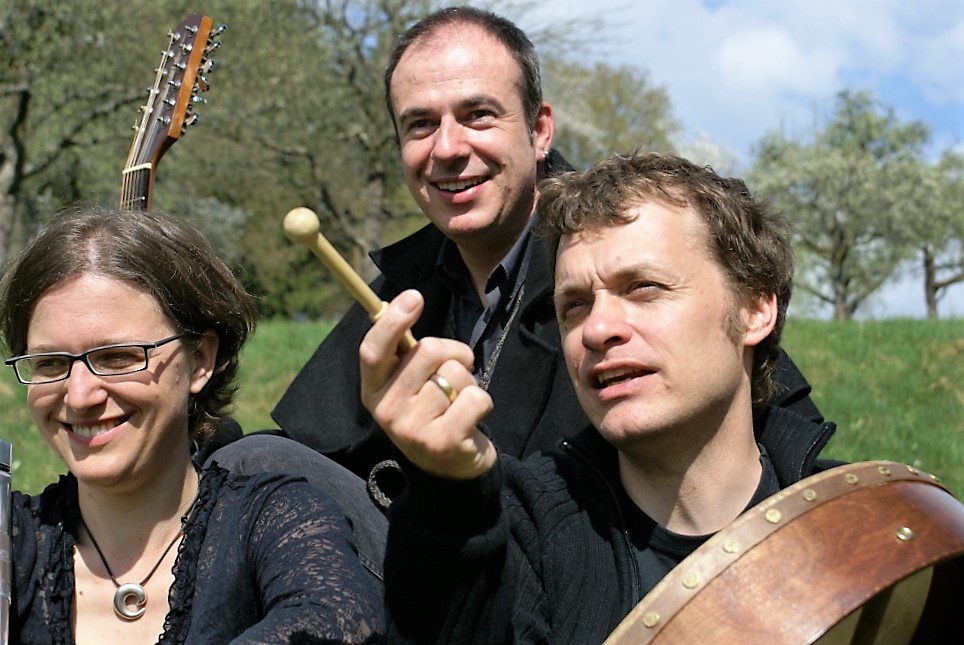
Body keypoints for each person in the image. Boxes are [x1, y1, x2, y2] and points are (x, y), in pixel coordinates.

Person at [263, 6, 825, 505]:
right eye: (420, 124)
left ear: (539, 130)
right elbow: (308, 452)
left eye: (478, 114)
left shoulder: (617, 248)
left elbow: (773, 449)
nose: (448, 148)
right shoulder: (405, 285)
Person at [361, 152, 840, 642]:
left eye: (643, 287)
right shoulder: (521, 537)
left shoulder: (854, 523)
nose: (597, 329)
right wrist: (447, 503)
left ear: (755, 310)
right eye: (575, 305)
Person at [1, 205, 384, 644]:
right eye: (50, 363)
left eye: (118, 357)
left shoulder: (280, 519)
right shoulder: (9, 541)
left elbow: (336, 621)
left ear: (200, 360)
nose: (80, 395)